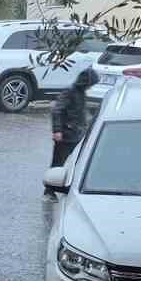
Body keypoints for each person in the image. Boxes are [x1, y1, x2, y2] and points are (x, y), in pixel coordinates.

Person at [47, 66, 97, 195]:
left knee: (75, 163)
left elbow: (80, 114)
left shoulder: (81, 94)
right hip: (65, 136)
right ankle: (49, 191)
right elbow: (56, 110)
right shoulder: (69, 92)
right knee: (58, 164)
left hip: (75, 136)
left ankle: (63, 187)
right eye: (91, 84)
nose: (90, 87)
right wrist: (57, 131)